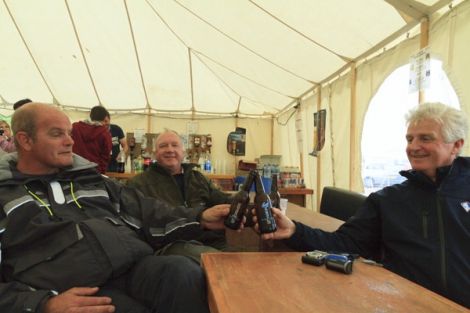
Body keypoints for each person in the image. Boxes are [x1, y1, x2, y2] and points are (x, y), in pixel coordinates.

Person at [0, 103, 232, 313]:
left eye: (69, 133)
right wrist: (43, 304)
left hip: (130, 267)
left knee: (181, 272)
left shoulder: (91, 180)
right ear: (25, 140)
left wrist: (200, 216)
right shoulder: (6, 195)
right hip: (72, 289)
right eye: (56, 134)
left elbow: (147, 211)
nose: (70, 141)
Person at [254, 102, 469, 308]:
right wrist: (294, 231)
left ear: (456, 145)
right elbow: (345, 243)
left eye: (425, 138)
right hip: (408, 306)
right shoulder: (388, 200)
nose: (413, 147)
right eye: (409, 138)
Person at [128, 130, 231, 261]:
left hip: (213, 243)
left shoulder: (198, 178)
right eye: (163, 146)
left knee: (242, 262)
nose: (170, 150)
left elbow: (222, 199)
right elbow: (146, 222)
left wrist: (243, 205)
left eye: (175, 145)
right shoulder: (139, 184)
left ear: (184, 152)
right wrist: (200, 217)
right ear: (155, 153)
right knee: (219, 263)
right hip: (169, 246)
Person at [72, 105, 112, 174]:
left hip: (74, 170)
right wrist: (101, 173)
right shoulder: (105, 133)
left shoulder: (74, 127)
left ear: (91, 116)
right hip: (94, 172)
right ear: (105, 117)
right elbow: (105, 156)